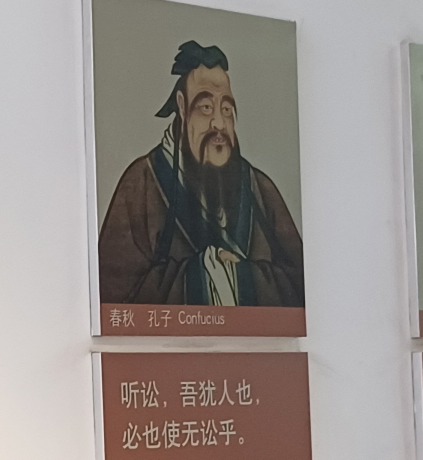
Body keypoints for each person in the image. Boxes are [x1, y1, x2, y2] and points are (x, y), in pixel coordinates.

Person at [98, 40, 304, 308]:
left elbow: (301, 289)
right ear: (182, 107)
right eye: (206, 108)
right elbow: (112, 298)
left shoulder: (260, 189)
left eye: (226, 110)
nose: (219, 123)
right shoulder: (142, 184)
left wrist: (241, 277)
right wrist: (204, 273)